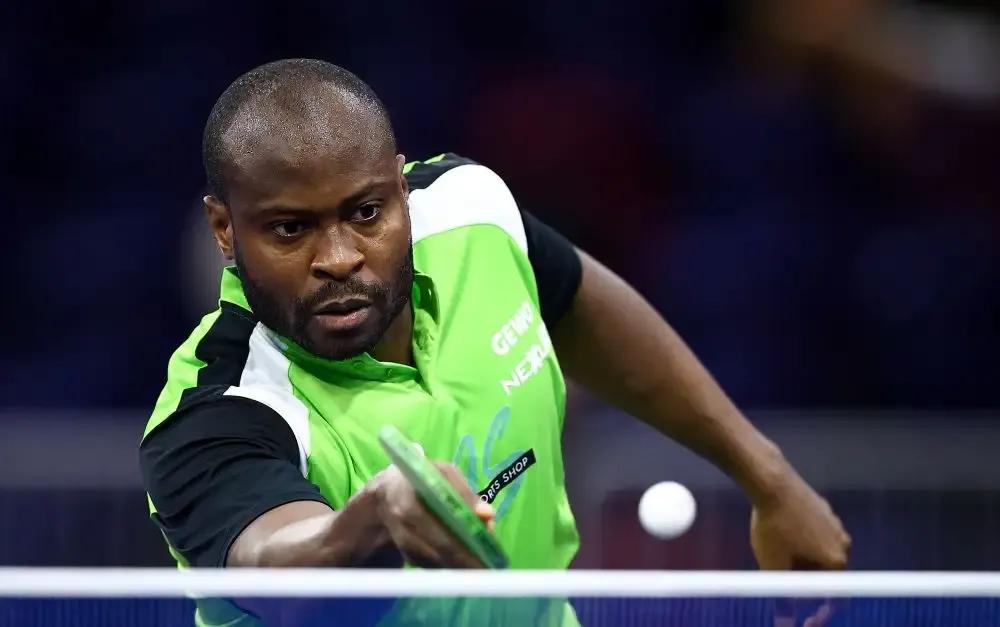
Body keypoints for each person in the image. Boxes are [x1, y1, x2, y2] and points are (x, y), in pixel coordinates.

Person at [139, 58, 850, 626]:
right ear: (225, 229)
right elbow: (275, 566)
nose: (340, 257)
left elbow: (579, 302)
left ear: (401, 189)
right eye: (290, 229)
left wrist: (769, 479)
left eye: (366, 213)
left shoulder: (468, 212)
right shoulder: (215, 408)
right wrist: (365, 525)